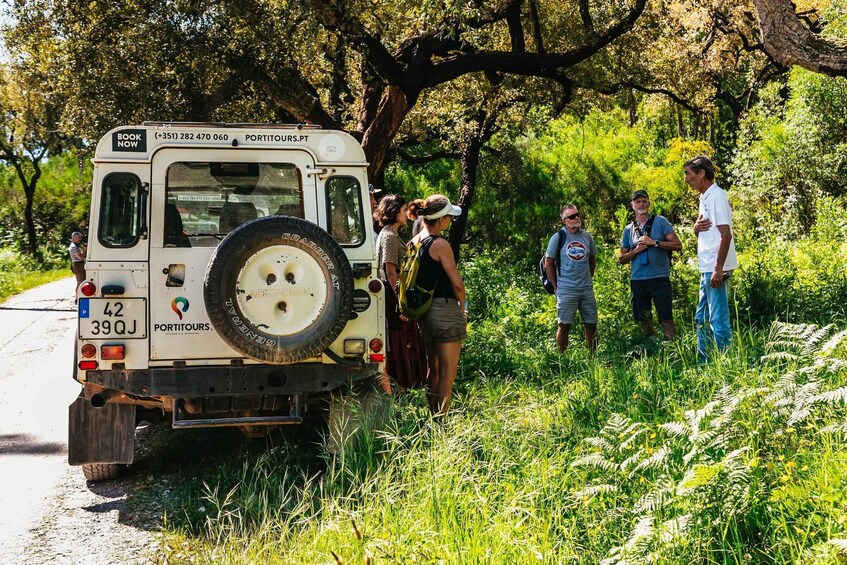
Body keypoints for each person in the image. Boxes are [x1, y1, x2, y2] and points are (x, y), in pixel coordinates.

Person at [407, 194, 466, 415]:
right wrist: (461, 310)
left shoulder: (413, 242)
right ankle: (442, 423)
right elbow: (457, 285)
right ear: (440, 220)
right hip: (445, 311)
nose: (450, 221)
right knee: (448, 374)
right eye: (449, 217)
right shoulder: (440, 244)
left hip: (425, 313)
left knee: (434, 369)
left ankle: (432, 416)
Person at [684, 155, 738, 361]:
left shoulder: (717, 196)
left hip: (716, 267)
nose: (686, 179)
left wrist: (718, 268)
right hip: (706, 267)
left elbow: (726, 235)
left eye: (689, 174)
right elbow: (709, 231)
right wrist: (696, 229)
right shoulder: (704, 197)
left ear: (701, 174)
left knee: (718, 318)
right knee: (702, 317)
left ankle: (725, 363)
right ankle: (704, 363)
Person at [373, 194, 428, 391]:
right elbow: (389, 271)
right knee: (400, 338)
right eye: (404, 210)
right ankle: (403, 386)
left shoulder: (391, 234)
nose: (407, 214)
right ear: (394, 212)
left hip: (395, 293)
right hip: (393, 294)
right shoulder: (388, 236)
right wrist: (402, 300)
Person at [618, 189, 683, 340]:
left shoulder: (660, 222)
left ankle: (672, 349)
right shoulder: (628, 230)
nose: (641, 204)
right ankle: (653, 349)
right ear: (632, 205)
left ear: (649, 203)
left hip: (660, 278)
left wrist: (654, 243)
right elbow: (622, 259)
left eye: (644, 201)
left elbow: (677, 245)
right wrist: (636, 251)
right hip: (638, 279)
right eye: (638, 202)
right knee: (644, 319)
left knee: (666, 317)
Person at [544, 205, 598, 353]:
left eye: (577, 215)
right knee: (564, 325)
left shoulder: (586, 236)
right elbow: (548, 264)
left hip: (586, 288)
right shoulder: (558, 237)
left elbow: (592, 261)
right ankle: (563, 360)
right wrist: (556, 287)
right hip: (566, 289)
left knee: (591, 324)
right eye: (572, 217)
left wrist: (588, 279)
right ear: (564, 220)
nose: (576, 218)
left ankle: (593, 358)